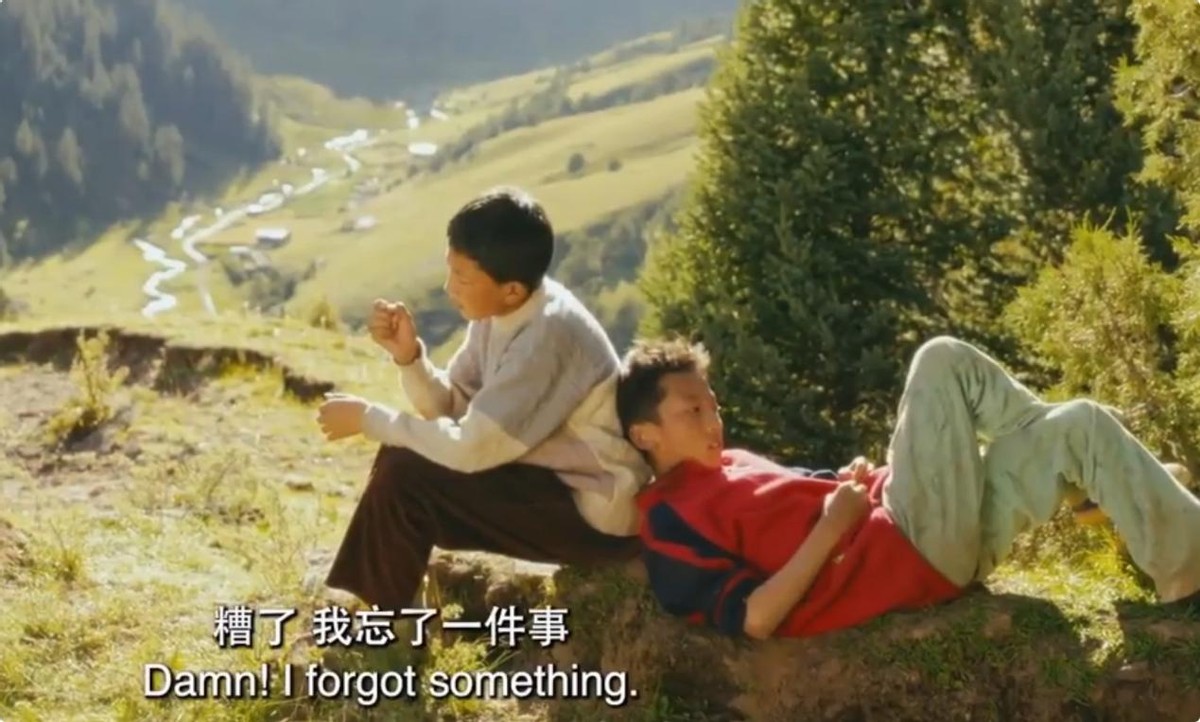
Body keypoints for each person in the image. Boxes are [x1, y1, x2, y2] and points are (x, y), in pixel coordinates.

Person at [615, 336, 1200, 639]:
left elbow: (821, 498)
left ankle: (1185, 578)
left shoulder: (733, 462)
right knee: (940, 359)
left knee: (1080, 426)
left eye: (713, 405)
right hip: (906, 545)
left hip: (925, 533)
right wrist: (833, 525)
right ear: (645, 434)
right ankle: (1084, 488)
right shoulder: (667, 520)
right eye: (692, 410)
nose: (713, 421)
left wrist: (851, 481)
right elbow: (754, 619)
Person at [316, 186, 651, 612]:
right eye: (450, 271)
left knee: (406, 471)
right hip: (548, 482)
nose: (449, 287)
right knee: (405, 457)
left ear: (511, 289)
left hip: (594, 514)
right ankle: (387, 605)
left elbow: (469, 449)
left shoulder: (545, 338)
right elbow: (452, 408)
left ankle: (387, 622)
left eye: (463, 278)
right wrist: (409, 357)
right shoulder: (502, 312)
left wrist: (370, 419)